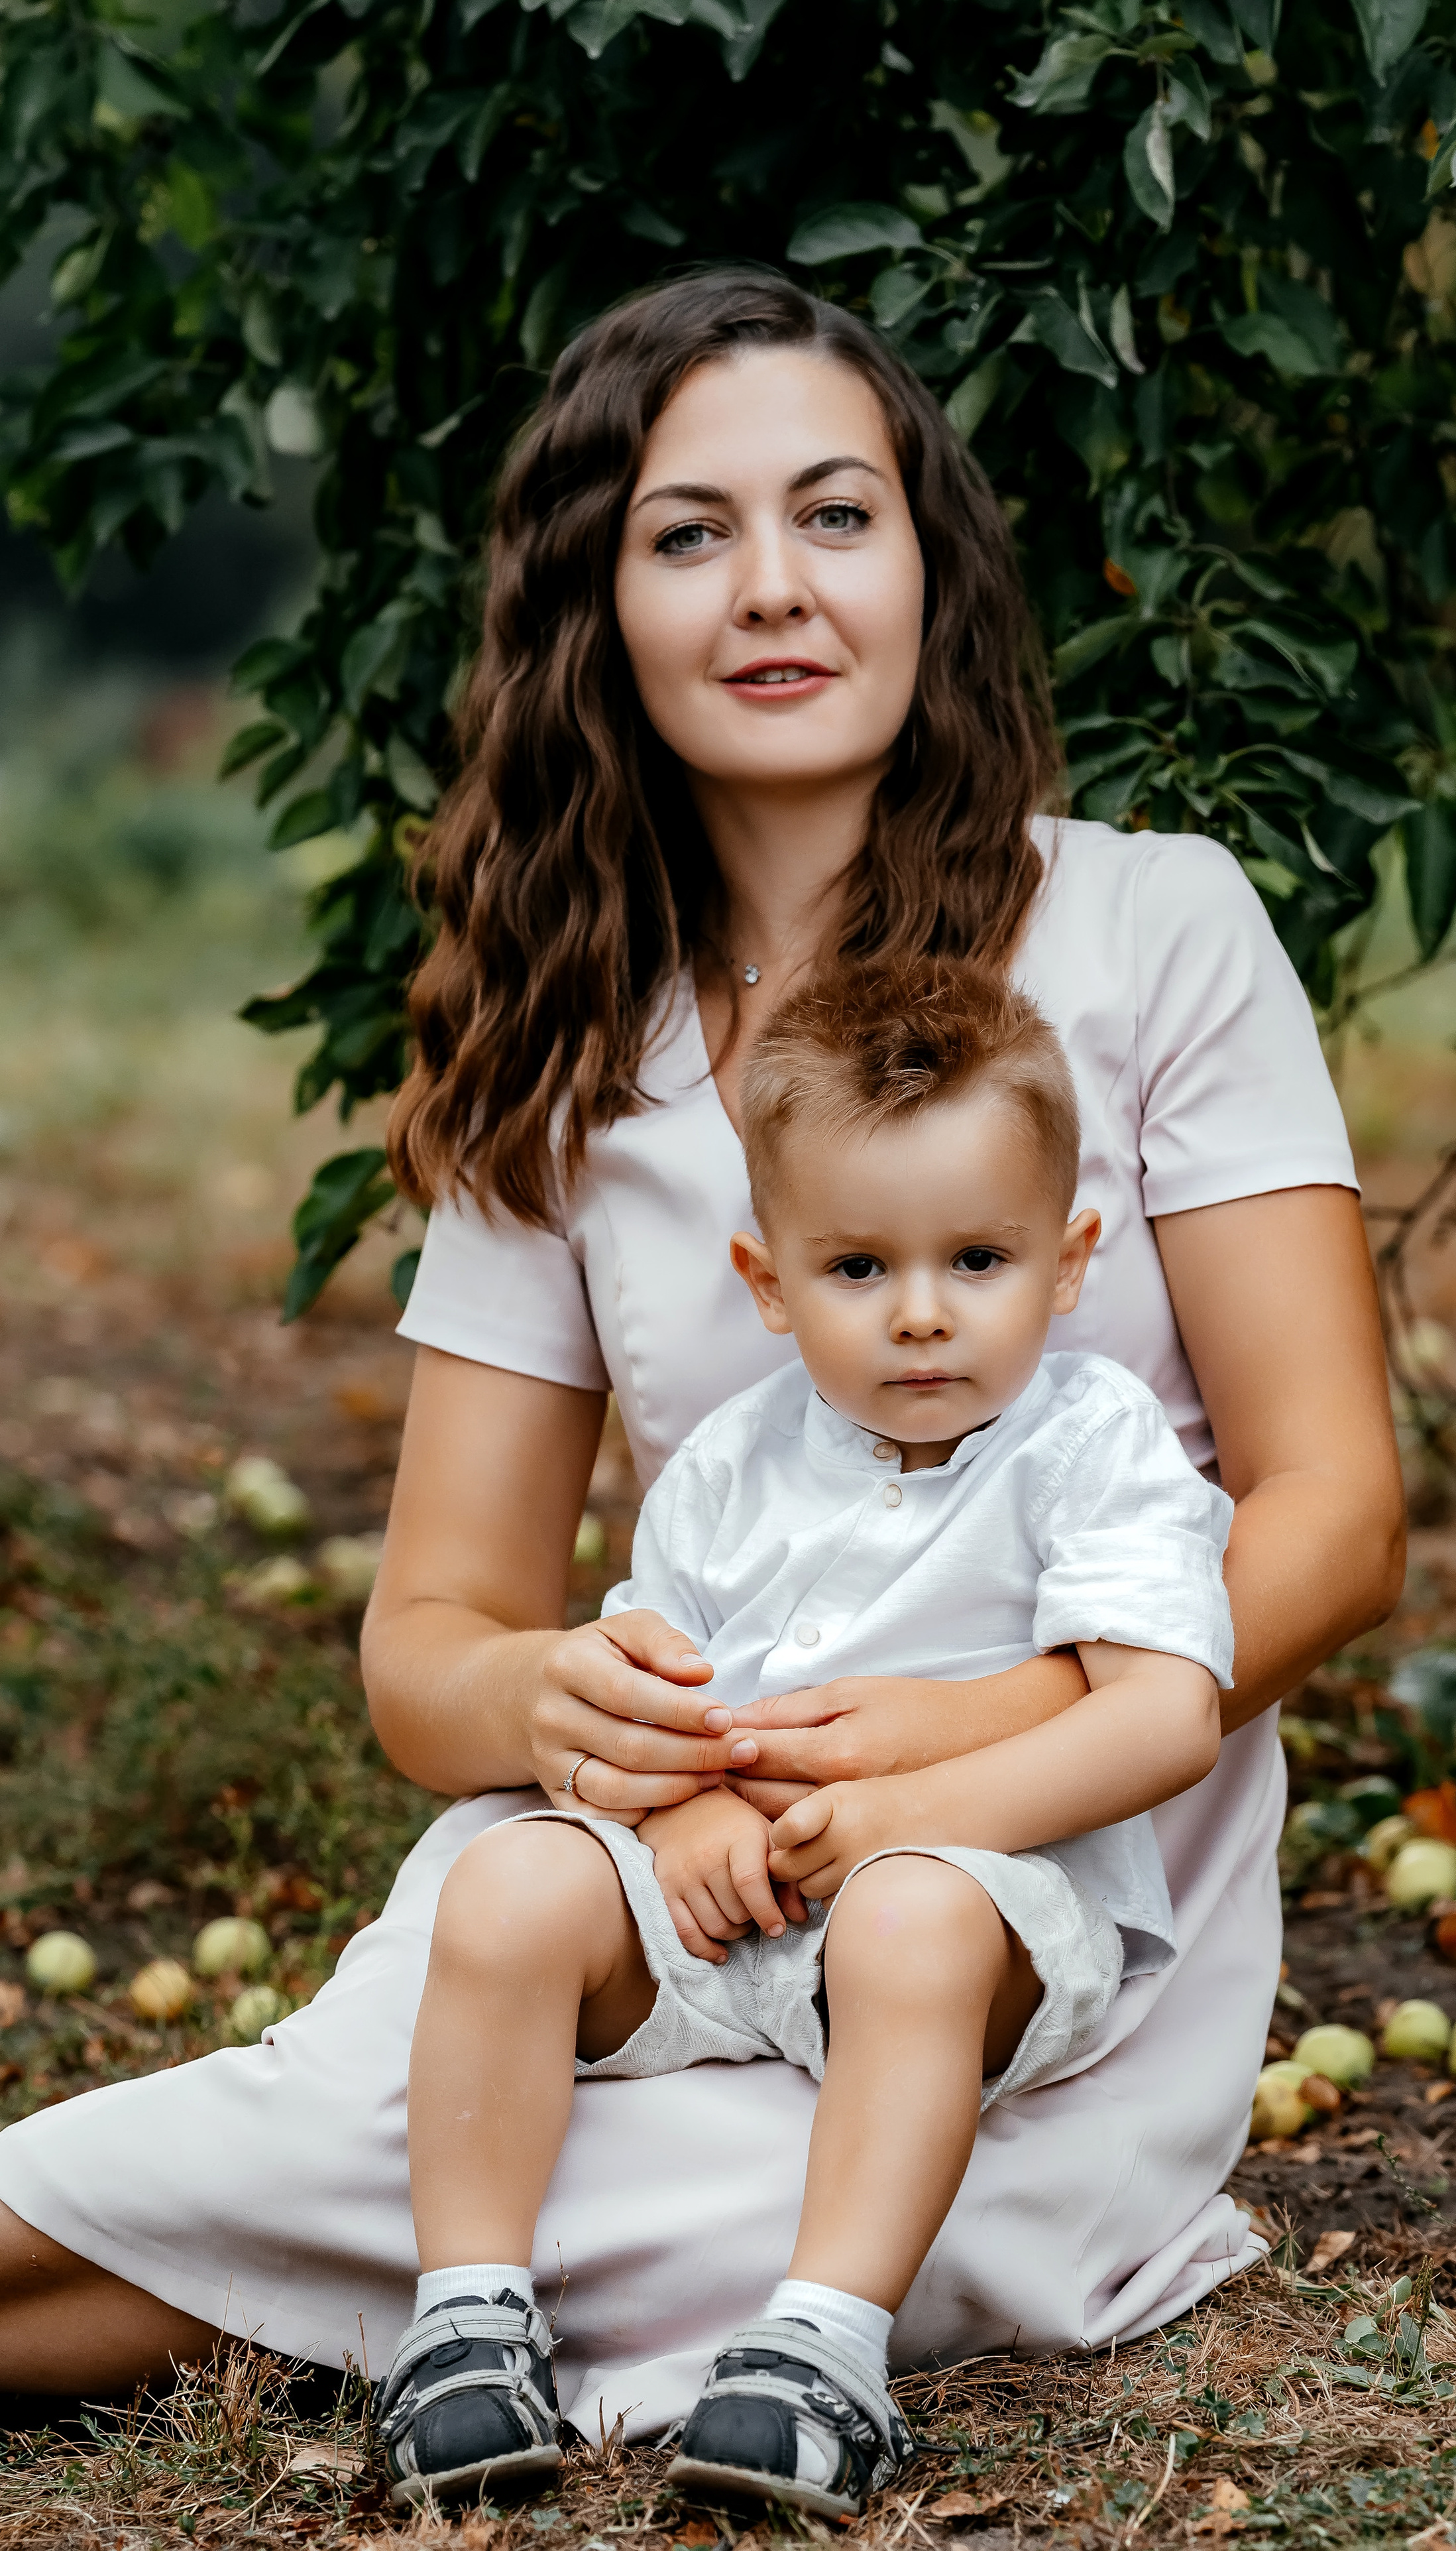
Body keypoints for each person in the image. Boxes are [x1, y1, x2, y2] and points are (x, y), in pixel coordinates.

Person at [0, 268, 1404, 2433]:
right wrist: (544, 1693)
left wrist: (963, 1742)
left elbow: (1333, 1514)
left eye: (838, 515)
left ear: (930, 565)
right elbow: (432, 1640)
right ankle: (401, 2264)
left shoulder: (1150, 927)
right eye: (688, 532)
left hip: (1020, 1944)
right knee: (420, 2139)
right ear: (600, 606)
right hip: (663, 1897)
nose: (773, 586)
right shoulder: (570, 1051)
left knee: (507, 2200)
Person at [378, 959, 1233, 2513]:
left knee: (907, 1916)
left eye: (977, 1256)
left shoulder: (1089, 1442)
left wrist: (918, 1814)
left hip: (981, 1913)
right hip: (747, 1906)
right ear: (766, 1282)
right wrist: (681, 1813)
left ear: (1067, 1261)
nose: (919, 1312)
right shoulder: (727, 1463)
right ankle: (467, 2320)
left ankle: (820, 2347)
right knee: (504, 1885)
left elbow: (1164, 1713)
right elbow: (667, 1691)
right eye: (856, 1268)